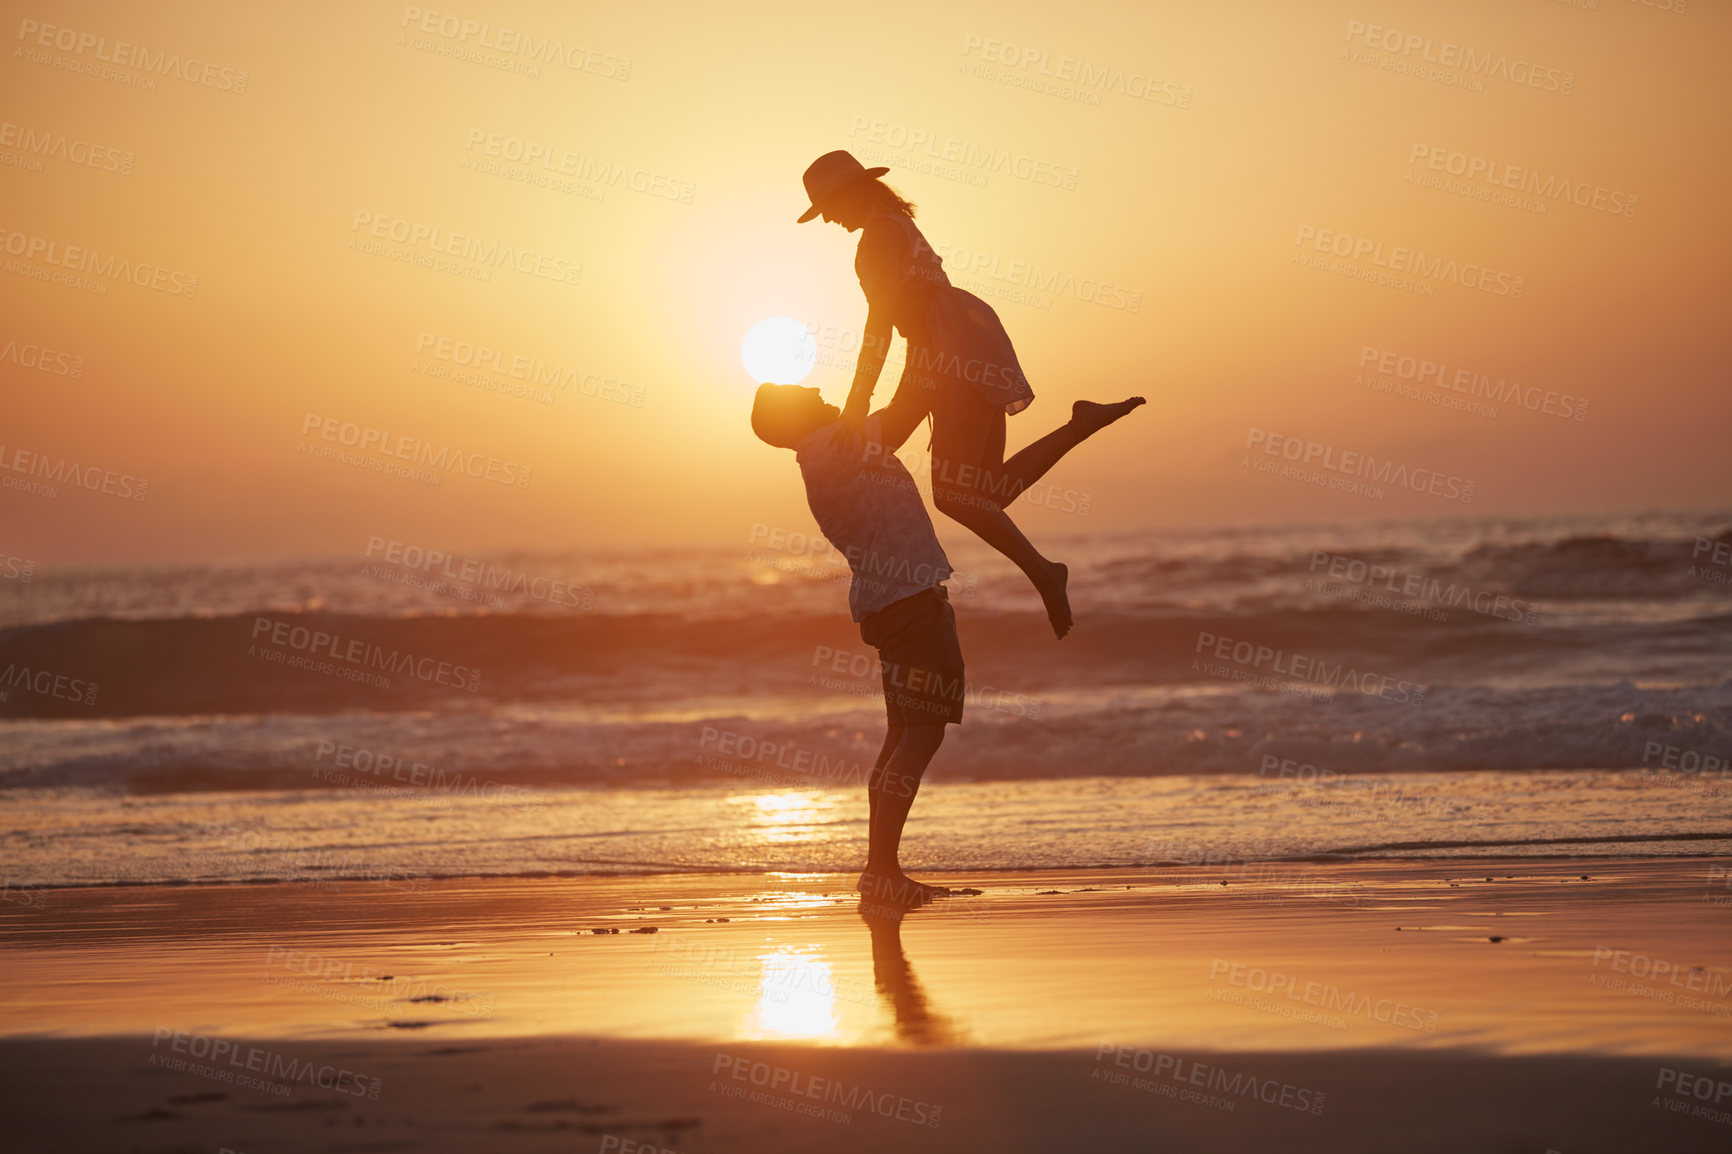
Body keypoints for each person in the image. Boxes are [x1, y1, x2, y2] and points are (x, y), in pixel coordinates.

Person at [750, 382, 1131, 909]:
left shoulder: (824, 454)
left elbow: (913, 401)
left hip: (888, 608)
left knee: (901, 738)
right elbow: (915, 396)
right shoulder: (840, 442)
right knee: (920, 736)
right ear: (793, 417)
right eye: (804, 392)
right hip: (911, 607)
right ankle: (881, 872)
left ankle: (879, 872)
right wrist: (929, 337)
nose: (817, 388)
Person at [797, 149, 1144, 639]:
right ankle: (1079, 425)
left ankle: (1045, 572)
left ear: (851, 192)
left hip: (945, 350)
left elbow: (879, 325)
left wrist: (856, 404)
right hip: (966, 336)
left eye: (829, 206)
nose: (829, 218)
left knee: (956, 494)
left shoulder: (876, 238)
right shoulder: (896, 223)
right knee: (983, 489)